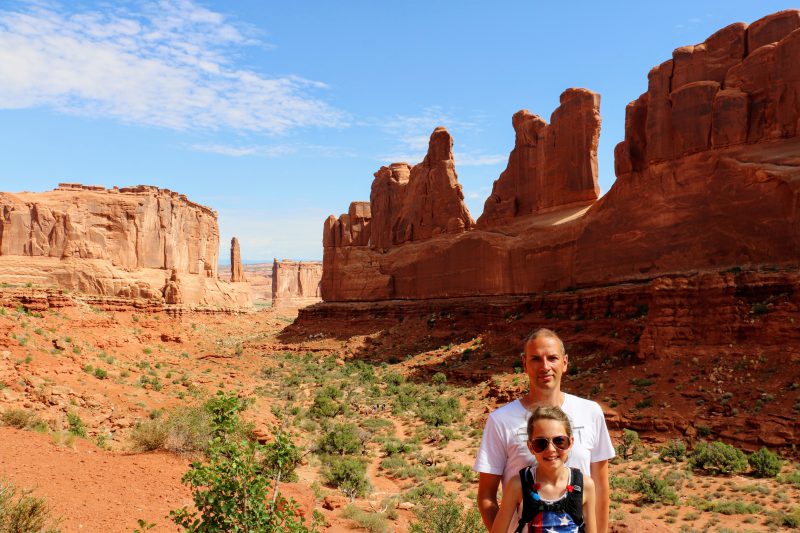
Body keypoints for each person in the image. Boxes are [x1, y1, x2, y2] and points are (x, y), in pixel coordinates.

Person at [474, 328, 614, 533]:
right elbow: (486, 496)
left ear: (565, 362)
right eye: (536, 359)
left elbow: (600, 490)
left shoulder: (591, 412)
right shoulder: (500, 420)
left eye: (552, 358)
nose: (545, 366)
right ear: (525, 364)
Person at [491, 405, 596, 533]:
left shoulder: (584, 485)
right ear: (530, 447)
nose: (551, 449)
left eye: (559, 441)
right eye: (541, 443)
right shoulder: (519, 485)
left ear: (570, 443)